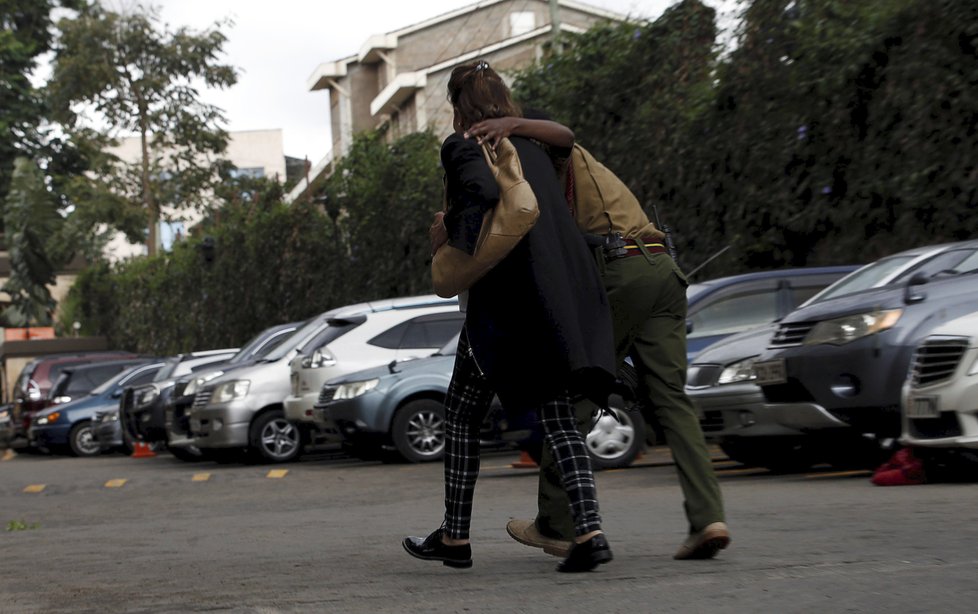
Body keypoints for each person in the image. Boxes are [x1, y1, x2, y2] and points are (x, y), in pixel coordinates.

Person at [463, 114, 731, 561]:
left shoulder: (537, 151)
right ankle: (708, 518)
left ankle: (556, 523)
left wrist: (511, 124)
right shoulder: (562, 167)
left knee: (576, 391)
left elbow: (564, 136)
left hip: (620, 268)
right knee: (672, 399)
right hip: (661, 267)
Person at [402, 60, 618, 573]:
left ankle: (455, 539)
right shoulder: (534, 141)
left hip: (506, 310)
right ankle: (589, 532)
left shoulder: (463, 146)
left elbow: (484, 193)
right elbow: (566, 136)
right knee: (558, 415)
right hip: (560, 296)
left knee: (459, 416)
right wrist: (513, 124)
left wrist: (450, 231)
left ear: (458, 107)